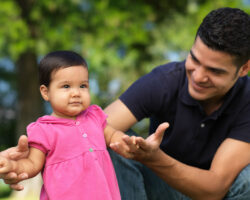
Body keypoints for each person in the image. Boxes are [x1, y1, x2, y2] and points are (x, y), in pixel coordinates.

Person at [1, 7, 249, 200]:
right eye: (194, 59)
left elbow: (215, 188)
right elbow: (84, 131)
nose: (197, 76)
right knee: (115, 140)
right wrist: (28, 157)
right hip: (161, 190)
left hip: (214, 194)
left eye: (214, 71)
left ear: (244, 69)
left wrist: (153, 158)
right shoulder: (163, 81)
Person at [0, 50, 168, 200]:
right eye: (66, 86)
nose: (76, 93)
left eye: (83, 86)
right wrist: (13, 166)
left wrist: (128, 142)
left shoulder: (94, 117)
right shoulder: (44, 129)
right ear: (46, 92)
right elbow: (32, 164)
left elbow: (112, 135)